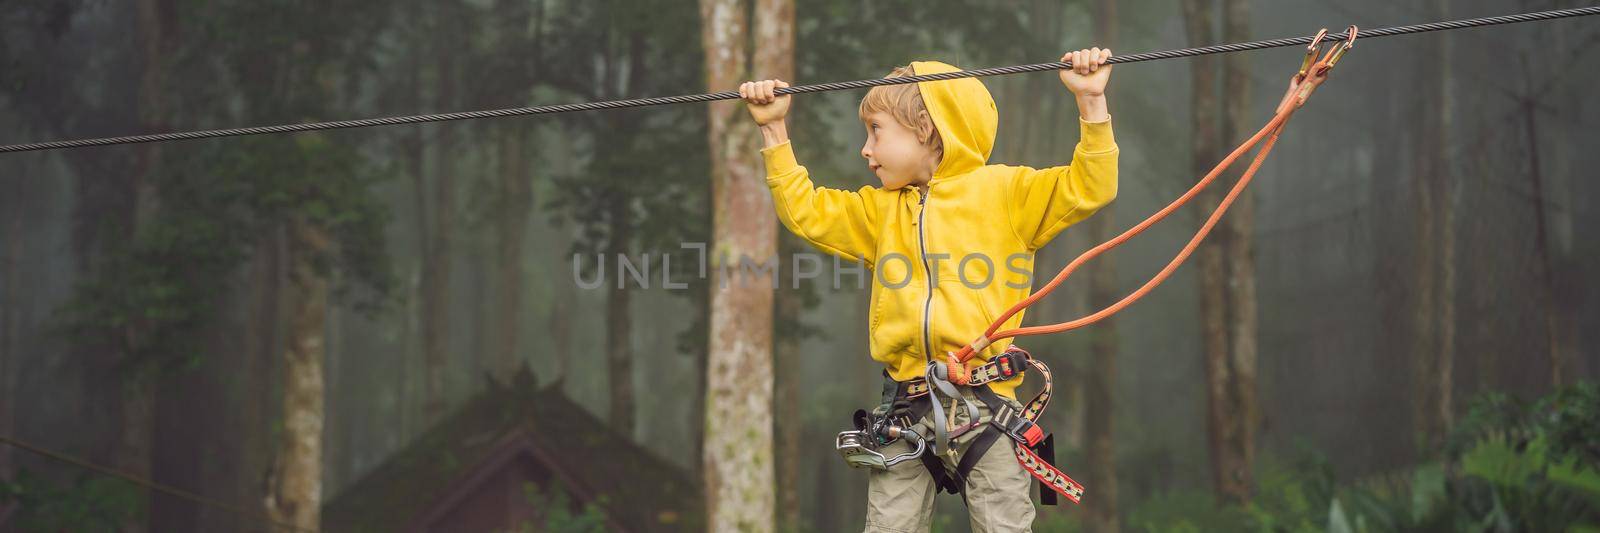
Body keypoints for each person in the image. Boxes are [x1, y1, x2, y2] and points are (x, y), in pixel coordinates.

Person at [740, 48, 1117, 532]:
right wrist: (773, 130)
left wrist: (1091, 100)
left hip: (988, 408)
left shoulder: (1006, 194)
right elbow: (807, 211)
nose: (866, 149)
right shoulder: (880, 212)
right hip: (905, 409)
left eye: (876, 131)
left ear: (928, 130)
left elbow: (1092, 185)